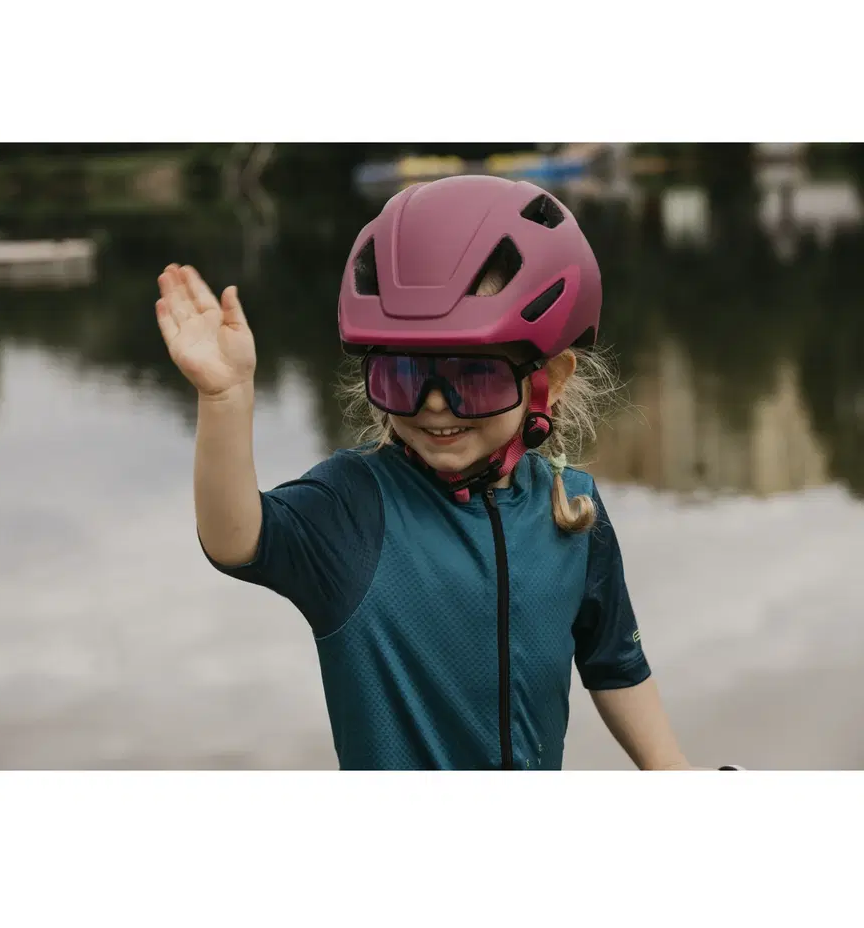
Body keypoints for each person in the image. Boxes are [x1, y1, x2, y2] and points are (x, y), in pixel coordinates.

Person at [155, 174, 735, 771]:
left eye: (474, 377)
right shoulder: (354, 506)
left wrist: (673, 773)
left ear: (550, 380)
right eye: (403, 375)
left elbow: (614, 663)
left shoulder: (572, 507)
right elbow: (235, 539)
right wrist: (225, 400)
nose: (435, 405)